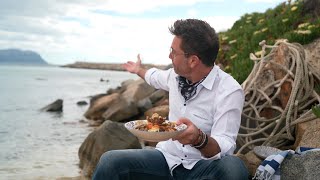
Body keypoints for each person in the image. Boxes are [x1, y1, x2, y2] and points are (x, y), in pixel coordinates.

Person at [93, 19, 249, 180]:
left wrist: (199, 139)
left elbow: (225, 146)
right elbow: (153, 76)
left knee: (234, 169)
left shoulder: (229, 90)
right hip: (166, 159)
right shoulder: (173, 76)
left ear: (193, 60)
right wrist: (138, 69)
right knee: (110, 161)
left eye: (173, 52)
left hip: (201, 167)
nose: (169, 56)